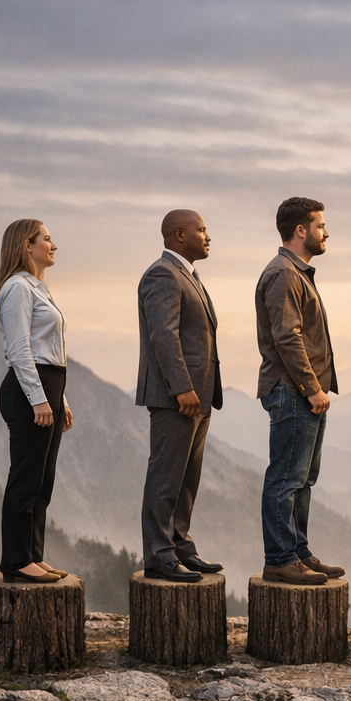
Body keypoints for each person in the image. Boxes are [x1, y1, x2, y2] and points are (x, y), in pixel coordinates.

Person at [255, 197, 344, 585]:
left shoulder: (297, 272)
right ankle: (279, 558)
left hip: (304, 391)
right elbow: (287, 338)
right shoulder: (284, 274)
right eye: (321, 225)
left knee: (303, 477)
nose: (327, 232)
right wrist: (311, 388)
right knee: (286, 477)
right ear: (301, 230)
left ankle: (298, 553)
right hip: (292, 390)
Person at [136, 209, 224, 583]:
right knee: (165, 476)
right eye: (201, 230)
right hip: (178, 396)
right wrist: (182, 387)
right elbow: (164, 336)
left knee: (187, 477)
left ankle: (180, 546)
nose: (207, 236)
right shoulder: (162, 275)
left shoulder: (189, 275)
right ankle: (159, 555)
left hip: (199, 396)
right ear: (178, 234)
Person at [0, 218, 75, 583]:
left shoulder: (37, 287)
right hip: (30, 389)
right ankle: (15, 560)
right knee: (25, 477)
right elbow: (20, 349)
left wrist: (62, 400)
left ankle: (32, 555)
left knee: (43, 480)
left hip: (49, 388)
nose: (53, 244)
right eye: (47, 238)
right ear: (27, 245)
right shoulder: (16, 288)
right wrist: (39, 400)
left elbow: (50, 349)